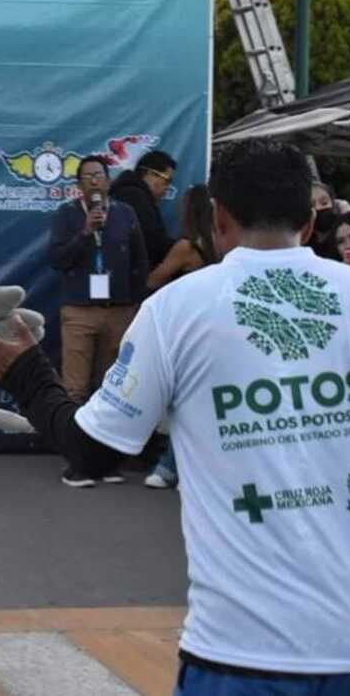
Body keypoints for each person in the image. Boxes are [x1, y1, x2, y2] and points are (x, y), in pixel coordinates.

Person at [0, 139, 350, 695]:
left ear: (219, 219)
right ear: (310, 221)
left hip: (239, 646)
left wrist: (25, 375)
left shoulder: (176, 308)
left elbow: (93, 449)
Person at [47, 154, 148, 487]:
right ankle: (76, 463)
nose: (94, 181)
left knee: (111, 390)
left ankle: (104, 460)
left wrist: (133, 303)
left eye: (99, 175)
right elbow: (57, 260)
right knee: (74, 389)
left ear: (108, 181)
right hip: (80, 310)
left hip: (118, 310)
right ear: (78, 185)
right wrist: (86, 233)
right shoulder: (66, 215)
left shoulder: (125, 213)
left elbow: (139, 259)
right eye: (87, 176)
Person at [143, 184, 216, 489]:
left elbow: (153, 280)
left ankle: (168, 467)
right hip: (218, 327)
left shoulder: (187, 247)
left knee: (185, 400)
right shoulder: (222, 246)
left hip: (188, 329)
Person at [108, 150, 177, 269]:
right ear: (150, 174)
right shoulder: (134, 196)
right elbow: (150, 241)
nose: (168, 187)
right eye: (167, 180)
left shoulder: (131, 193)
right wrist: (180, 248)